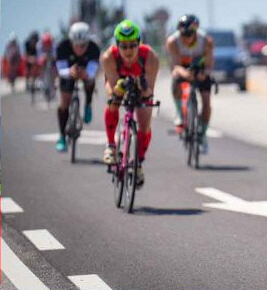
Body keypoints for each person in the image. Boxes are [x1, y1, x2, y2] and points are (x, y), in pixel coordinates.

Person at [101, 19, 159, 188]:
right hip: (117, 84)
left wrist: (142, 85)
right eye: (124, 46)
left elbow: (149, 92)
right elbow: (112, 88)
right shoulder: (109, 57)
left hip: (142, 88)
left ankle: (138, 162)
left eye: (132, 46)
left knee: (145, 123)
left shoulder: (150, 57)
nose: (128, 51)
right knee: (112, 103)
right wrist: (119, 87)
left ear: (139, 44)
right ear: (117, 45)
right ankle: (111, 145)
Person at [165, 14, 214, 153]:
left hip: (200, 69)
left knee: (206, 102)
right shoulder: (173, 41)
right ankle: (180, 114)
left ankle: (202, 133)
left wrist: (204, 74)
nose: (185, 38)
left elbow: (210, 65)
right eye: (182, 35)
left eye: (189, 35)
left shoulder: (206, 41)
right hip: (182, 68)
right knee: (175, 79)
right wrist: (185, 74)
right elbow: (175, 65)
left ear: (195, 33)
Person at [55, 22, 100, 152]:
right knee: (64, 102)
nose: (80, 49)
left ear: (88, 42)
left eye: (83, 45)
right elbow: (60, 70)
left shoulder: (93, 48)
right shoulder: (62, 47)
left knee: (90, 81)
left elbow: (92, 71)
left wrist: (86, 75)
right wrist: (70, 72)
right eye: (76, 45)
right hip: (68, 71)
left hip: (85, 71)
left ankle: (88, 104)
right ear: (71, 42)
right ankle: (62, 136)